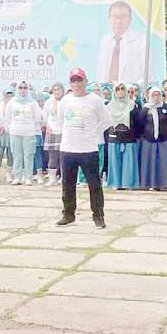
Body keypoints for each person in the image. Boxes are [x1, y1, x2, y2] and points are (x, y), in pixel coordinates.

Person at [57, 69, 112, 228]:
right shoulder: (65, 101)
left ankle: (98, 216)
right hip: (68, 148)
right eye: (73, 81)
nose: (77, 84)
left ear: (85, 81)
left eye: (79, 80)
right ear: (70, 83)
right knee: (68, 184)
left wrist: (93, 132)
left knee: (94, 184)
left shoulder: (95, 100)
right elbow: (61, 122)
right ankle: (68, 214)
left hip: (88, 149)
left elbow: (106, 121)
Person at [138, 86, 167, 191]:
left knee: (165, 162)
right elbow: (140, 123)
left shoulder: (165, 107)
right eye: (154, 95)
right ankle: (151, 184)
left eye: (158, 95)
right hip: (149, 140)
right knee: (150, 162)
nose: (156, 97)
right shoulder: (146, 108)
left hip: (164, 139)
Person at [95, 1, 146, 85]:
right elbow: (101, 71)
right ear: (109, 19)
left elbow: (149, 75)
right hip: (107, 90)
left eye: (123, 16)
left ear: (130, 19)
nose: (118, 21)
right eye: (114, 16)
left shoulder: (141, 40)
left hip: (131, 92)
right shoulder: (105, 40)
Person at [4, 83, 42, 186]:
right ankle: (17, 177)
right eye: (20, 88)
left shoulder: (33, 103)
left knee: (28, 155)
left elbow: (37, 118)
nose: (23, 90)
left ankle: (28, 177)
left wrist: (34, 130)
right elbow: (7, 118)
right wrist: (10, 129)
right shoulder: (12, 102)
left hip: (29, 132)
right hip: (15, 132)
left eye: (25, 88)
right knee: (16, 155)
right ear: (17, 89)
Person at [105, 83, 140, 189]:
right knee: (115, 162)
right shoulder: (109, 106)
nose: (120, 91)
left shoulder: (133, 105)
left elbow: (137, 122)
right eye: (117, 89)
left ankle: (128, 183)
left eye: (122, 88)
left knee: (129, 162)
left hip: (129, 137)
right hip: (114, 136)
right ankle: (115, 183)